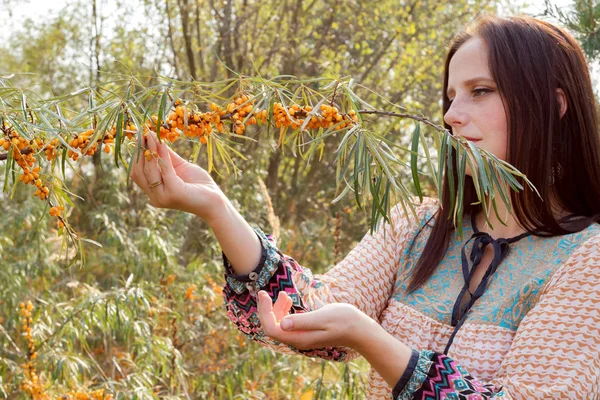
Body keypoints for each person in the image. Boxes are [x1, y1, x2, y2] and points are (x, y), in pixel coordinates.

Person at [130, 14, 600, 399]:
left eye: (481, 91)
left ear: (554, 105)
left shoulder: (586, 260)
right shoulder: (418, 224)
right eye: (451, 96)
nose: (452, 115)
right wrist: (216, 208)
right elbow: (300, 312)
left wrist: (370, 338)